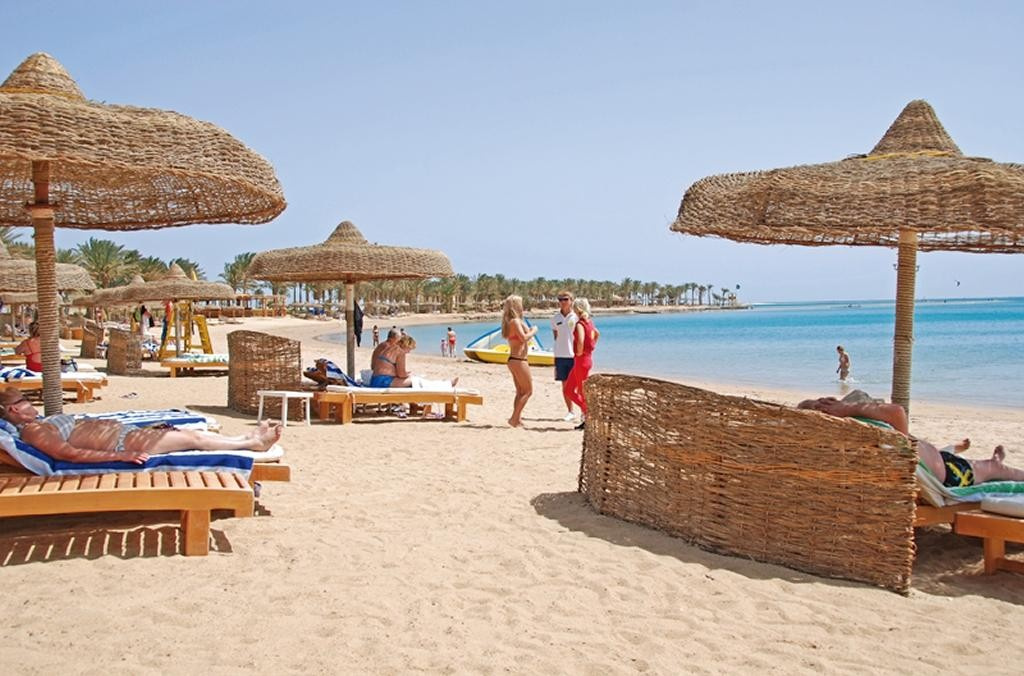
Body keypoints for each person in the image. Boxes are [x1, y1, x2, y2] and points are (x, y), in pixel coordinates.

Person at [0, 387, 282, 465]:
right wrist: (121, 456)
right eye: (24, 400)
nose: (30, 403)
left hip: (127, 435)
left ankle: (243, 439)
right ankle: (252, 443)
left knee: (190, 435)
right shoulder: (33, 430)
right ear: (14, 410)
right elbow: (67, 454)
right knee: (193, 438)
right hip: (123, 444)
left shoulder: (38, 424)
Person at [797, 395, 1024, 488]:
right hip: (951, 473)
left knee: (948, 452)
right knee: (993, 469)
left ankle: (963, 449)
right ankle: (995, 462)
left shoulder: (857, 429)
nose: (824, 403)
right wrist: (847, 408)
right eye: (820, 405)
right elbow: (897, 412)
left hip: (936, 458)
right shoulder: (854, 435)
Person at [369, 334, 457, 390]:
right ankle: (446, 385)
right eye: (410, 349)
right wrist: (408, 375)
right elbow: (401, 374)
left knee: (415, 380)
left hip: (375, 379)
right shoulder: (400, 352)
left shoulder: (391, 348)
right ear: (406, 346)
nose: (409, 352)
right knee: (417, 381)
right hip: (384, 382)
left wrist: (405, 374)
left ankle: (443, 383)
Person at [564, 298, 600, 430]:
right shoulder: (589, 322)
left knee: (581, 391)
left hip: (582, 360)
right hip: (584, 360)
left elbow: (580, 340)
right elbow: (597, 334)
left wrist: (579, 352)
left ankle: (588, 414)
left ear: (576, 309)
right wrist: (592, 346)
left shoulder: (580, 324)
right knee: (569, 389)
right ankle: (587, 412)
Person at [502, 295, 536, 428]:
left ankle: (517, 418)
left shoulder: (510, 322)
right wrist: (534, 331)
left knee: (520, 391)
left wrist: (527, 328)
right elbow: (524, 338)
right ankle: (514, 418)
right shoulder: (515, 321)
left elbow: (523, 334)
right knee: (528, 391)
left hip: (513, 359)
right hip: (519, 360)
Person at [551, 290, 578, 422]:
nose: (562, 302)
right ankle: (570, 411)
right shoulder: (555, 319)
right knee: (565, 386)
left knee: (578, 386)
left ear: (571, 301)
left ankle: (584, 411)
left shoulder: (576, 317)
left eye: (565, 299)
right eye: (560, 299)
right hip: (560, 356)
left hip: (575, 356)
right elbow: (556, 336)